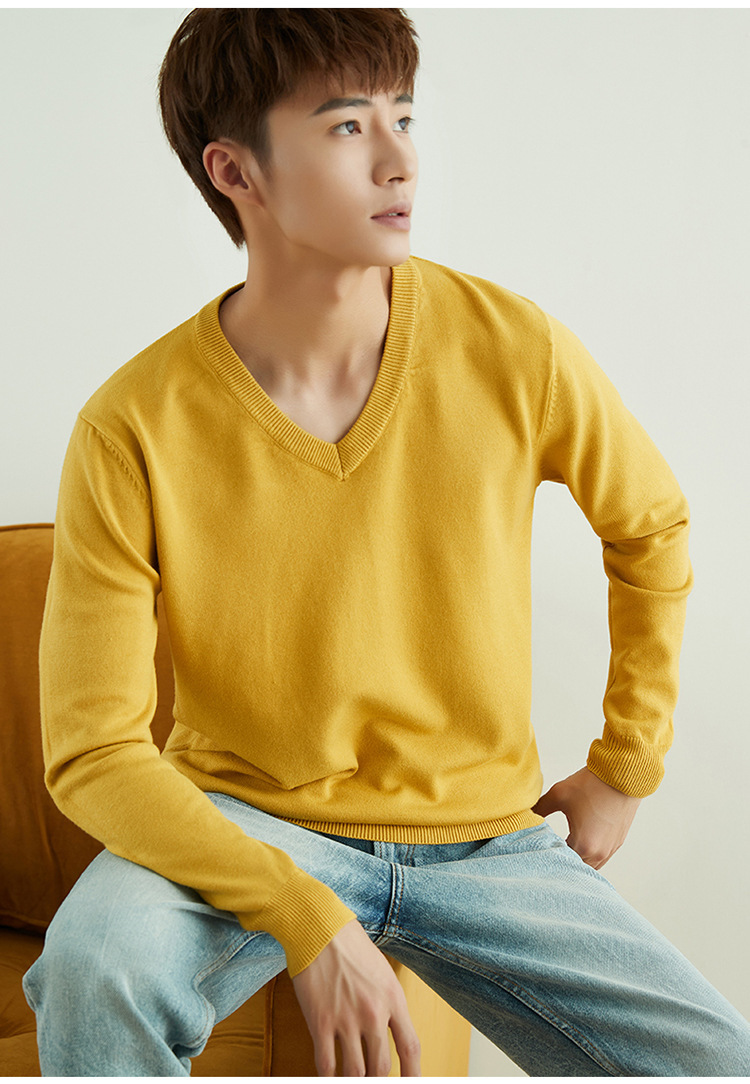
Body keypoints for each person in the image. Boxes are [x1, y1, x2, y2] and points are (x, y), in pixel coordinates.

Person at [23, 8, 750, 1078]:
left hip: (486, 839)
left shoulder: (514, 347)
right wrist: (299, 910)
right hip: (250, 821)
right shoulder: (132, 423)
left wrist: (625, 765)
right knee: (97, 969)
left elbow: (651, 525)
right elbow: (92, 751)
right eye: (347, 126)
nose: (400, 157)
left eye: (403, 116)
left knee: (716, 1059)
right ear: (236, 171)